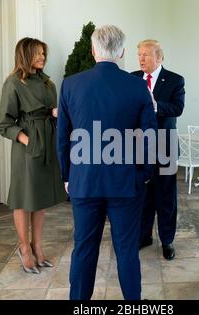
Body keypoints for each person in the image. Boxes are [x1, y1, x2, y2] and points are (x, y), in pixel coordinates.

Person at [57, 25, 157, 300]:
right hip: (126, 184)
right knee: (126, 250)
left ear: (92, 51)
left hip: (84, 182)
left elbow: (62, 137)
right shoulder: (138, 86)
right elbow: (150, 135)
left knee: (84, 248)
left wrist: (67, 176)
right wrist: (144, 174)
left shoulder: (70, 84)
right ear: (123, 52)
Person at [0, 37, 67, 274]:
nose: (43, 57)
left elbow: (48, 110)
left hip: (48, 143)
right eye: (37, 54)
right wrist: (28, 141)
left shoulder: (48, 83)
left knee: (41, 198)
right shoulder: (14, 83)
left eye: (43, 54)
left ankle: (38, 246)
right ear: (25, 55)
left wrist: (55, 112)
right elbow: (4, 124)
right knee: (24, 198)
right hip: (28, 148)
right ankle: (24, 248)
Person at [131, 40, 185, 260]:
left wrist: (155, 105)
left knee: (165, 197)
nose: (141, 59)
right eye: (139, 54)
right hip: (139, 148)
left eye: (146, 55)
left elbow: (178, 108)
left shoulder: (175, 80)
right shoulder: (132, 78)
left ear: (159, 57)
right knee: (142, 196)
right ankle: (144, 236)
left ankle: (167, 240)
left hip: (165, 148)